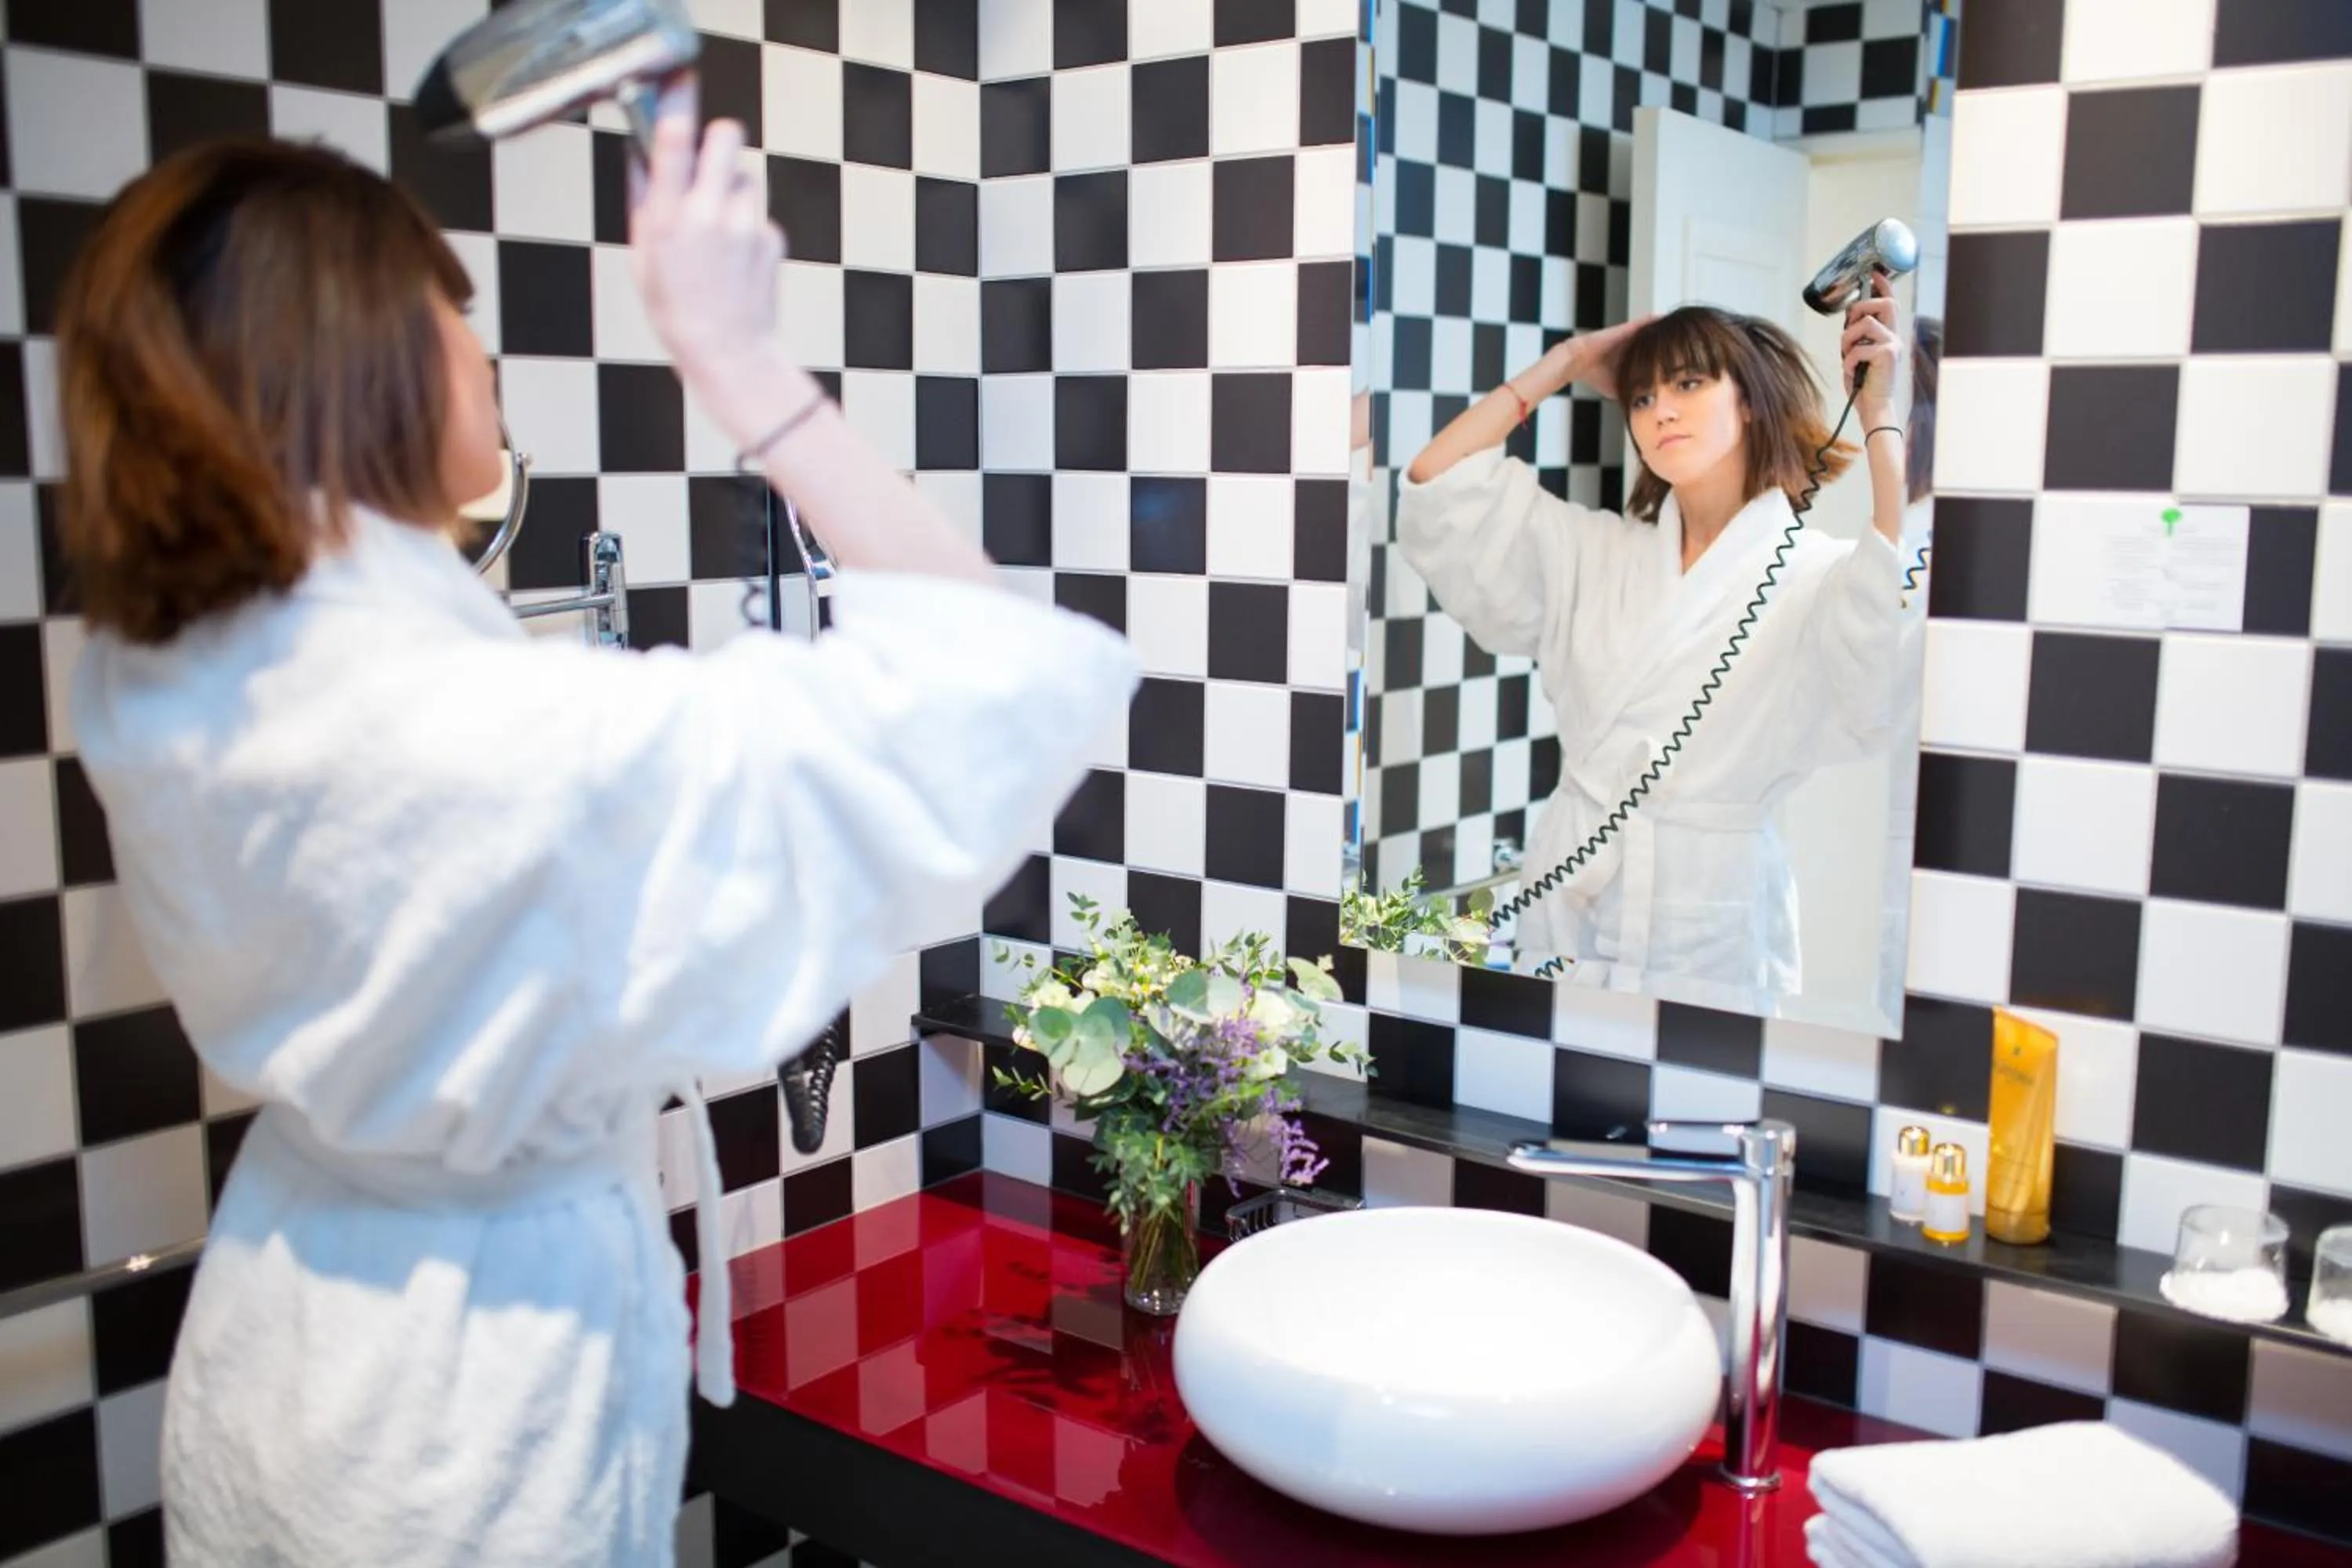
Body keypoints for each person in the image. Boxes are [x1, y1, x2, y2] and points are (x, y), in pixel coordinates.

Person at [56, 82, 1138, 1567]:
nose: (484, 350)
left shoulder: (164, 680)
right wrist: (741, 360)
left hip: (281, 1337)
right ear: (363, 364)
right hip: (464, 1429)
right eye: (454, 310)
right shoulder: (509, 748)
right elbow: (997, 680)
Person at [1394, 282, 1909, 1013]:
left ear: (1751, 400)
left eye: (1690, 383)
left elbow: (1886, 622)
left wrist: (1881, 413)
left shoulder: (1810, 574)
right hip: (1568, 903)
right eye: (1641, 396)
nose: (1660, 409)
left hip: (1710, 922)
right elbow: (1437, 483)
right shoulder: (1596, 552)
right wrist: (1569, 361)